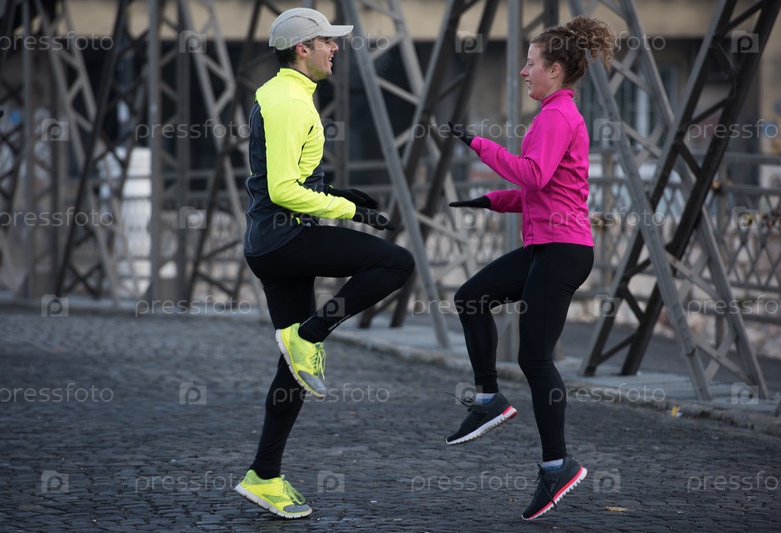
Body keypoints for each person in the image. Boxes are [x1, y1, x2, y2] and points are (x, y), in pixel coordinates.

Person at [234, 7, 415, 519]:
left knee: (291, 371)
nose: (336, 48)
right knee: (396, 263)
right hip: (285, 239)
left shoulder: (281, 93)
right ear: (302, 49)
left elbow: (286, 175)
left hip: (272, 243)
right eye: (327, 42)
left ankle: (264, 475)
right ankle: (309, 335)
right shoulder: (291, 102)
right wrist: (350, 211)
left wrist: (335, 191)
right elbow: (281, 188)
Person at [444, 15, 614, 521]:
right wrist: (489, 201)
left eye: (531, 63)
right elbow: (541, 191)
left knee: (535, 358)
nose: (523, 72)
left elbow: (535, 175)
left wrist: (479, 144)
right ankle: (488, 398)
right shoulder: (552, 115)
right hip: (549, 245)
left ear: (555, 70)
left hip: (563, 249)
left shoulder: (558, 115)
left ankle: (557, 464)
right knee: (470, 298)